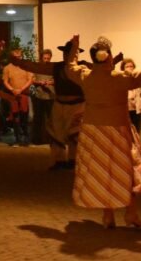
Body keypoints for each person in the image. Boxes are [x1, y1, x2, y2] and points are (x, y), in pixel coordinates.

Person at [65, 35, 141, 229]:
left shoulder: (86, 75)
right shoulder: (120, 77)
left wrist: (75, 47)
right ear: (109, 57)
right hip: (118, 130)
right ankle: (131, 213)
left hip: (92, 131)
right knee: (130, 171)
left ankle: (108, 215)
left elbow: (70, 67)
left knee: (103, 173)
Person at [8, 40, 85, 170]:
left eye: (71, 53)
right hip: (60, 103)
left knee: (75, 134)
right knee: (56, 133)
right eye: (66, 53)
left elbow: (99, 73)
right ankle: (59, 160)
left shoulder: (83, 67)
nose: (68, 55)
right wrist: (19, 62)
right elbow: (36, 67)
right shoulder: (58, 67)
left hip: (77, 105)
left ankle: (74, 159)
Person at [1, 48, 34, 146]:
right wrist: (12, 90)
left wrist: (21, 89)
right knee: (15, 116)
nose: (18, 58)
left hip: (24, 94)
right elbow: (5, 81)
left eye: (19, 57)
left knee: (26, 116)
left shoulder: (26, 66)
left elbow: (30, 80)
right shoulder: (7, 68)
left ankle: (26, 138)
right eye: (16, 57)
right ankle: (17, 138)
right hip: (13, 95)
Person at [30, 49, 55, 145]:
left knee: (51, 119)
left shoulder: (53, 68)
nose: (46, 60)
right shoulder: (37, 68)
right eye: (45, 58)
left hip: (50, 96)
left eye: (48, 58)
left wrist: (50, 82)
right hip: (39, 96)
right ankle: (37, 140)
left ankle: (52, 140)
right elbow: (32, 80)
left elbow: (57, 80)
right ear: (41, 58)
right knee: (38, 118)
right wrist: (39, 82)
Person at [121, 58, 141, 133]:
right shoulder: (120, 79)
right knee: (126, 133)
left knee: (137, 132)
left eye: (131, 66)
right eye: (127, 66)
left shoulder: (138, 78)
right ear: (123, 68)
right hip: (124, 111)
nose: (129, 68)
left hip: (136, 111)